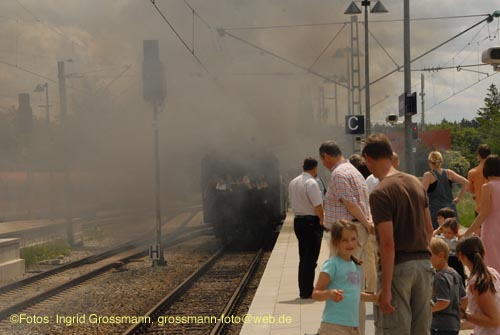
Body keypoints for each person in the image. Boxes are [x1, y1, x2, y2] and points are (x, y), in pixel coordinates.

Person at [362, 133, 434, 335]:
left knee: (394, 329)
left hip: (398, 269)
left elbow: (387, 244)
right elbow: (429, 229)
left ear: (368, 158)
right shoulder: (416, 183)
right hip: (423, 265)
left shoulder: (380, 193)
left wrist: (385, 289)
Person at [319, 140, 372, 335]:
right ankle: (354, 328)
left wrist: (366, 224)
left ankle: (348, 328)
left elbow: (350, 204)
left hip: (347, 235)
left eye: (323, 160)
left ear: (326, 156)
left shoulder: (339, 173)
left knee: (347, 283)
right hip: (354, 232)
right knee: (352, 281)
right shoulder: (354, 171)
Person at [312, 220, 379, 335]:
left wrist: (374, 298)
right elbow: (315, 294)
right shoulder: (332, 264)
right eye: (345, 240)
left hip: (353, 326)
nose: (350, 244)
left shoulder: (356, 265)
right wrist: (329, 294)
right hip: (333, 326)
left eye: (353, 239)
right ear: (335, 242)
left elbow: (354, 294)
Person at [288, 157, 325, 299]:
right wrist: (322, 219)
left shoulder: (293, 181)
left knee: (303, 256)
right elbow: (318, 205)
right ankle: (307, 290)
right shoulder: (311, 183)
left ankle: (303, 288)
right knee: (311, 257)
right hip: (311, 222)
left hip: (298, 221)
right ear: (315, 167)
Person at [462, 154, 500, 273]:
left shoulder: (487, 187)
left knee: (491, 264)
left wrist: (468, 232)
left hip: (491, 229)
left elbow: (484, 213)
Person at [456, 236, 500, 334]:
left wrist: (465, 316)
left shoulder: (477, 282)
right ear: (484, 252)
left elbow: (494, 321)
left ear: (461, 256)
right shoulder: (492, 272)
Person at [422, 151, 469, 229]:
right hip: (451, 210)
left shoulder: (428, 175)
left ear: (429, 162)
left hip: (436, 213)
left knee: (438, 238)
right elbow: (466, 183)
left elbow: (422, 193)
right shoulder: (449, 173)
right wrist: (458, 198)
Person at [430, 237, 467, 335]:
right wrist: (460, 314)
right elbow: (464, 299)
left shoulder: (439, 277)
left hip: (440, 326)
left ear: (441, 256)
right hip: (453, 325)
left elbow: (444, 302)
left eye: (429, 255)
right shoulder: (455, 274)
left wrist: (428, 310)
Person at [435, 218, 466, 286]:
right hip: (444, 262)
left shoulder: (456, 241)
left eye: (449, 233)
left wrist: (458, 235)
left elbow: (464, 243)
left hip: (455, 263)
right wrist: (437, 231)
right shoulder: (441, 239)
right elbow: (430, 237)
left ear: (455, 232)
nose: (446, 234)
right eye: (444, 232)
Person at [467, 144, 491, 216]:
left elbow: (471, 190)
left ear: (478, 155)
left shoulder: (472, 172)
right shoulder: (496, 171)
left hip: (480, 209)